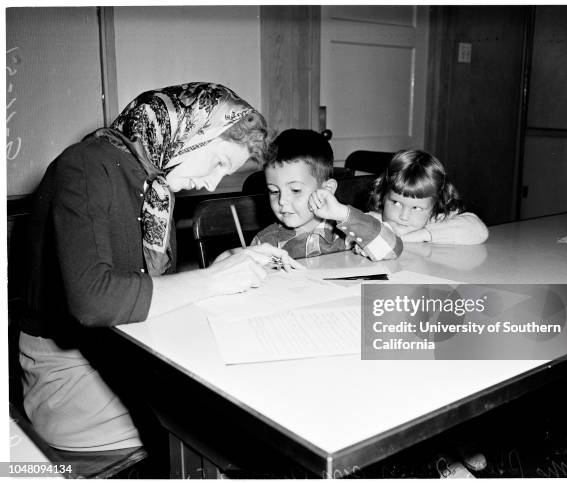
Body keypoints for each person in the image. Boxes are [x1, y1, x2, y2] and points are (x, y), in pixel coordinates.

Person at [18, 82, 302, 454]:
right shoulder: (87, 164)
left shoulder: (153, 183)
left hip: (115, 353)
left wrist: (214, 273)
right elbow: (94, 302)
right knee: (232, 427)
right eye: (219, 162)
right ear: (191, 130)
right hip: (70, 373)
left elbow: (139, 287)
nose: (212, 183)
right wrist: (209, 282)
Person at [247, 129, 403, 260]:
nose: (281, 201)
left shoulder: (346, 232)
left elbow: (392, 250)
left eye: (295, 190)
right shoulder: (266, 241)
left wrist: (343, 214)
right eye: (274, 191)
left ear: (327, 189)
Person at [368, 150, 489, 245]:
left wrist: (419, 236)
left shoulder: (435, 220)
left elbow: (479, 231)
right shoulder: (373, 222)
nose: (403, 216)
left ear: (434, 208)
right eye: (396, 203)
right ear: (383, 197)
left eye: (416, 208)